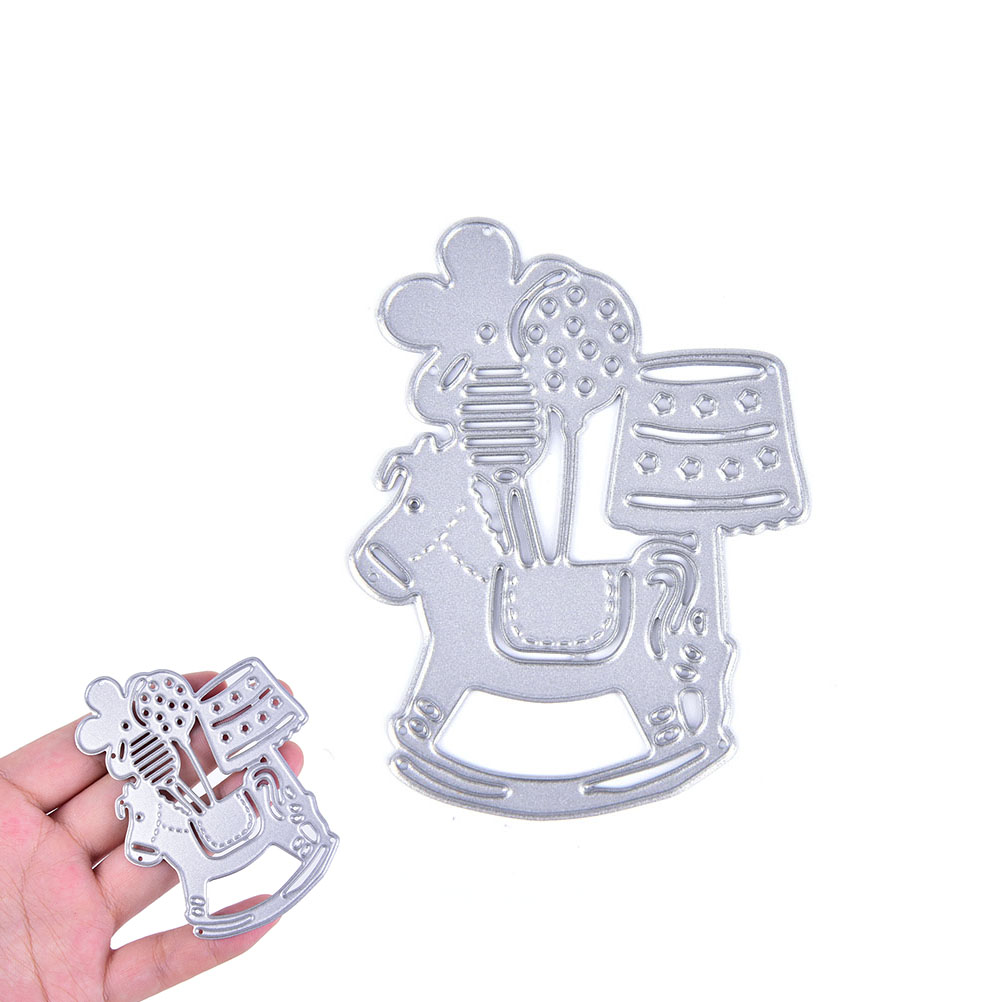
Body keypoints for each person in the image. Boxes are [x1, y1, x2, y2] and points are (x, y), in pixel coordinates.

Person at [0, 672, 303, 1002]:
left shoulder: (140, 719)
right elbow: (119, 763)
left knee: (190, 796)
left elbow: (153, 740)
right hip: (157, 772)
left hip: (167, 761)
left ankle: (263, 833)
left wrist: (171, 733)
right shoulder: (111, 740)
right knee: (179, 799)